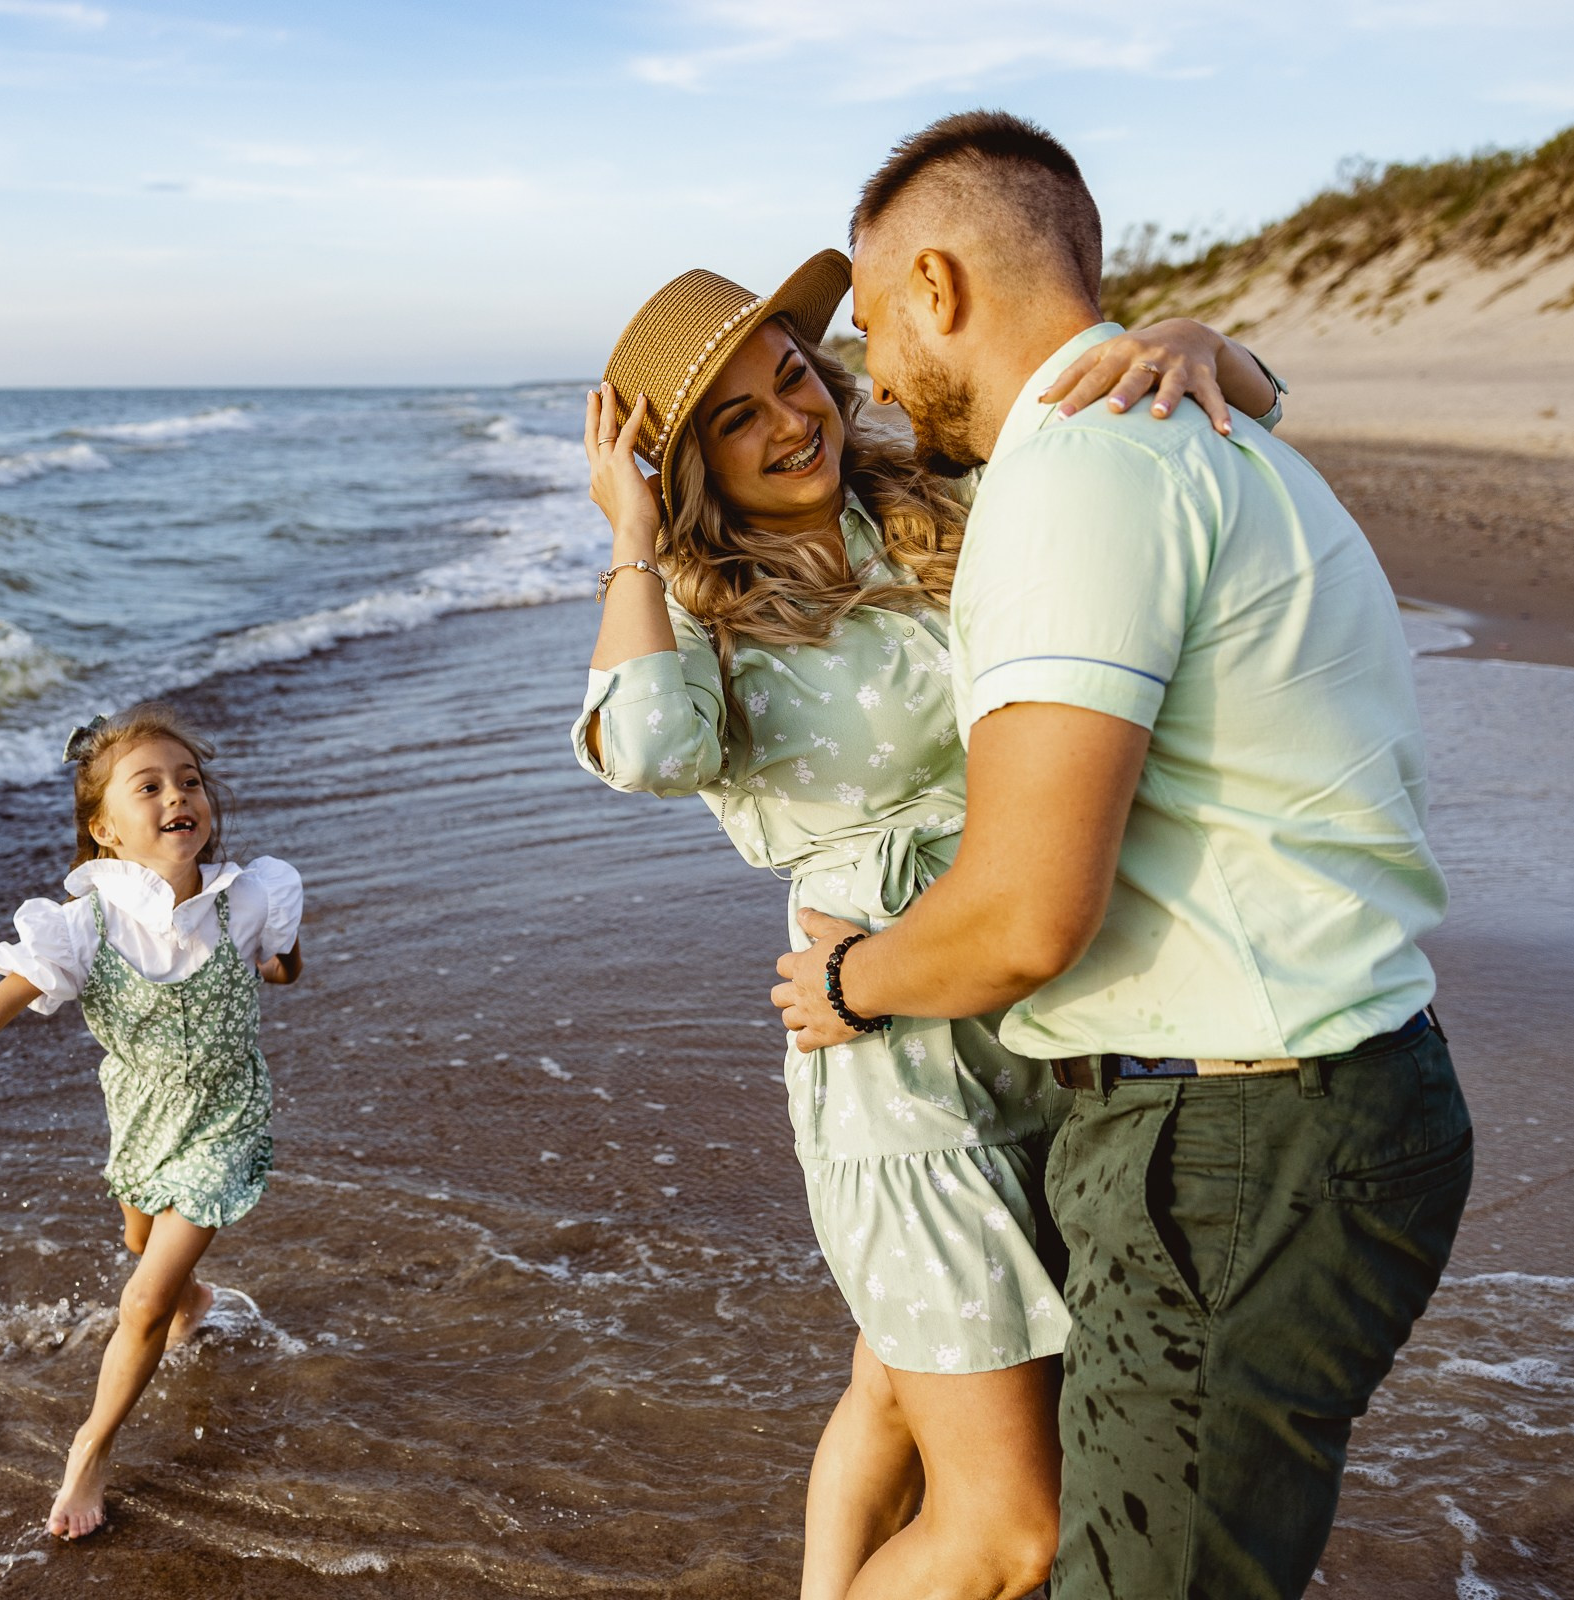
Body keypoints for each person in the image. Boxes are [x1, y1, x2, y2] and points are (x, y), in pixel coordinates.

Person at [773, 111, 1470, 1600]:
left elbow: (1025, 917)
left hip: (1240, 1135)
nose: (878, 381)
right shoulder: (1202, 429)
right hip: (1307, 1098)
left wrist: (849, 978)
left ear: (939, 288)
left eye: (881, 323)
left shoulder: (1082, 471)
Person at [573, 253, 1281, 1598]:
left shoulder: (938, 506)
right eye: (734, 418)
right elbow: (650, 749)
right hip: (899, 1057)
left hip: (1057, 1009)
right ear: (682, 470)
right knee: (1012, 1531)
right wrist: (629, 539)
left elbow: (1245, 412)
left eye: (791, 377)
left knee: (897, 1387)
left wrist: (1191, 338)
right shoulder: (697, 618)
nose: (791, 423)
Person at [0, 702, 303, 1541]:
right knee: (145, 1253)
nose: (179, 796)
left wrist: (276, 958)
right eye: (150, 786)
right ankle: (193, 1297)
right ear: (104, 829)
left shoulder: (253, 898)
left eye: (190, 781)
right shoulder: (79, 930)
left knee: (139, 1303)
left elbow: (281, 966)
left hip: (226, 1119)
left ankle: (90, 1448)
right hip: (139, 1119)